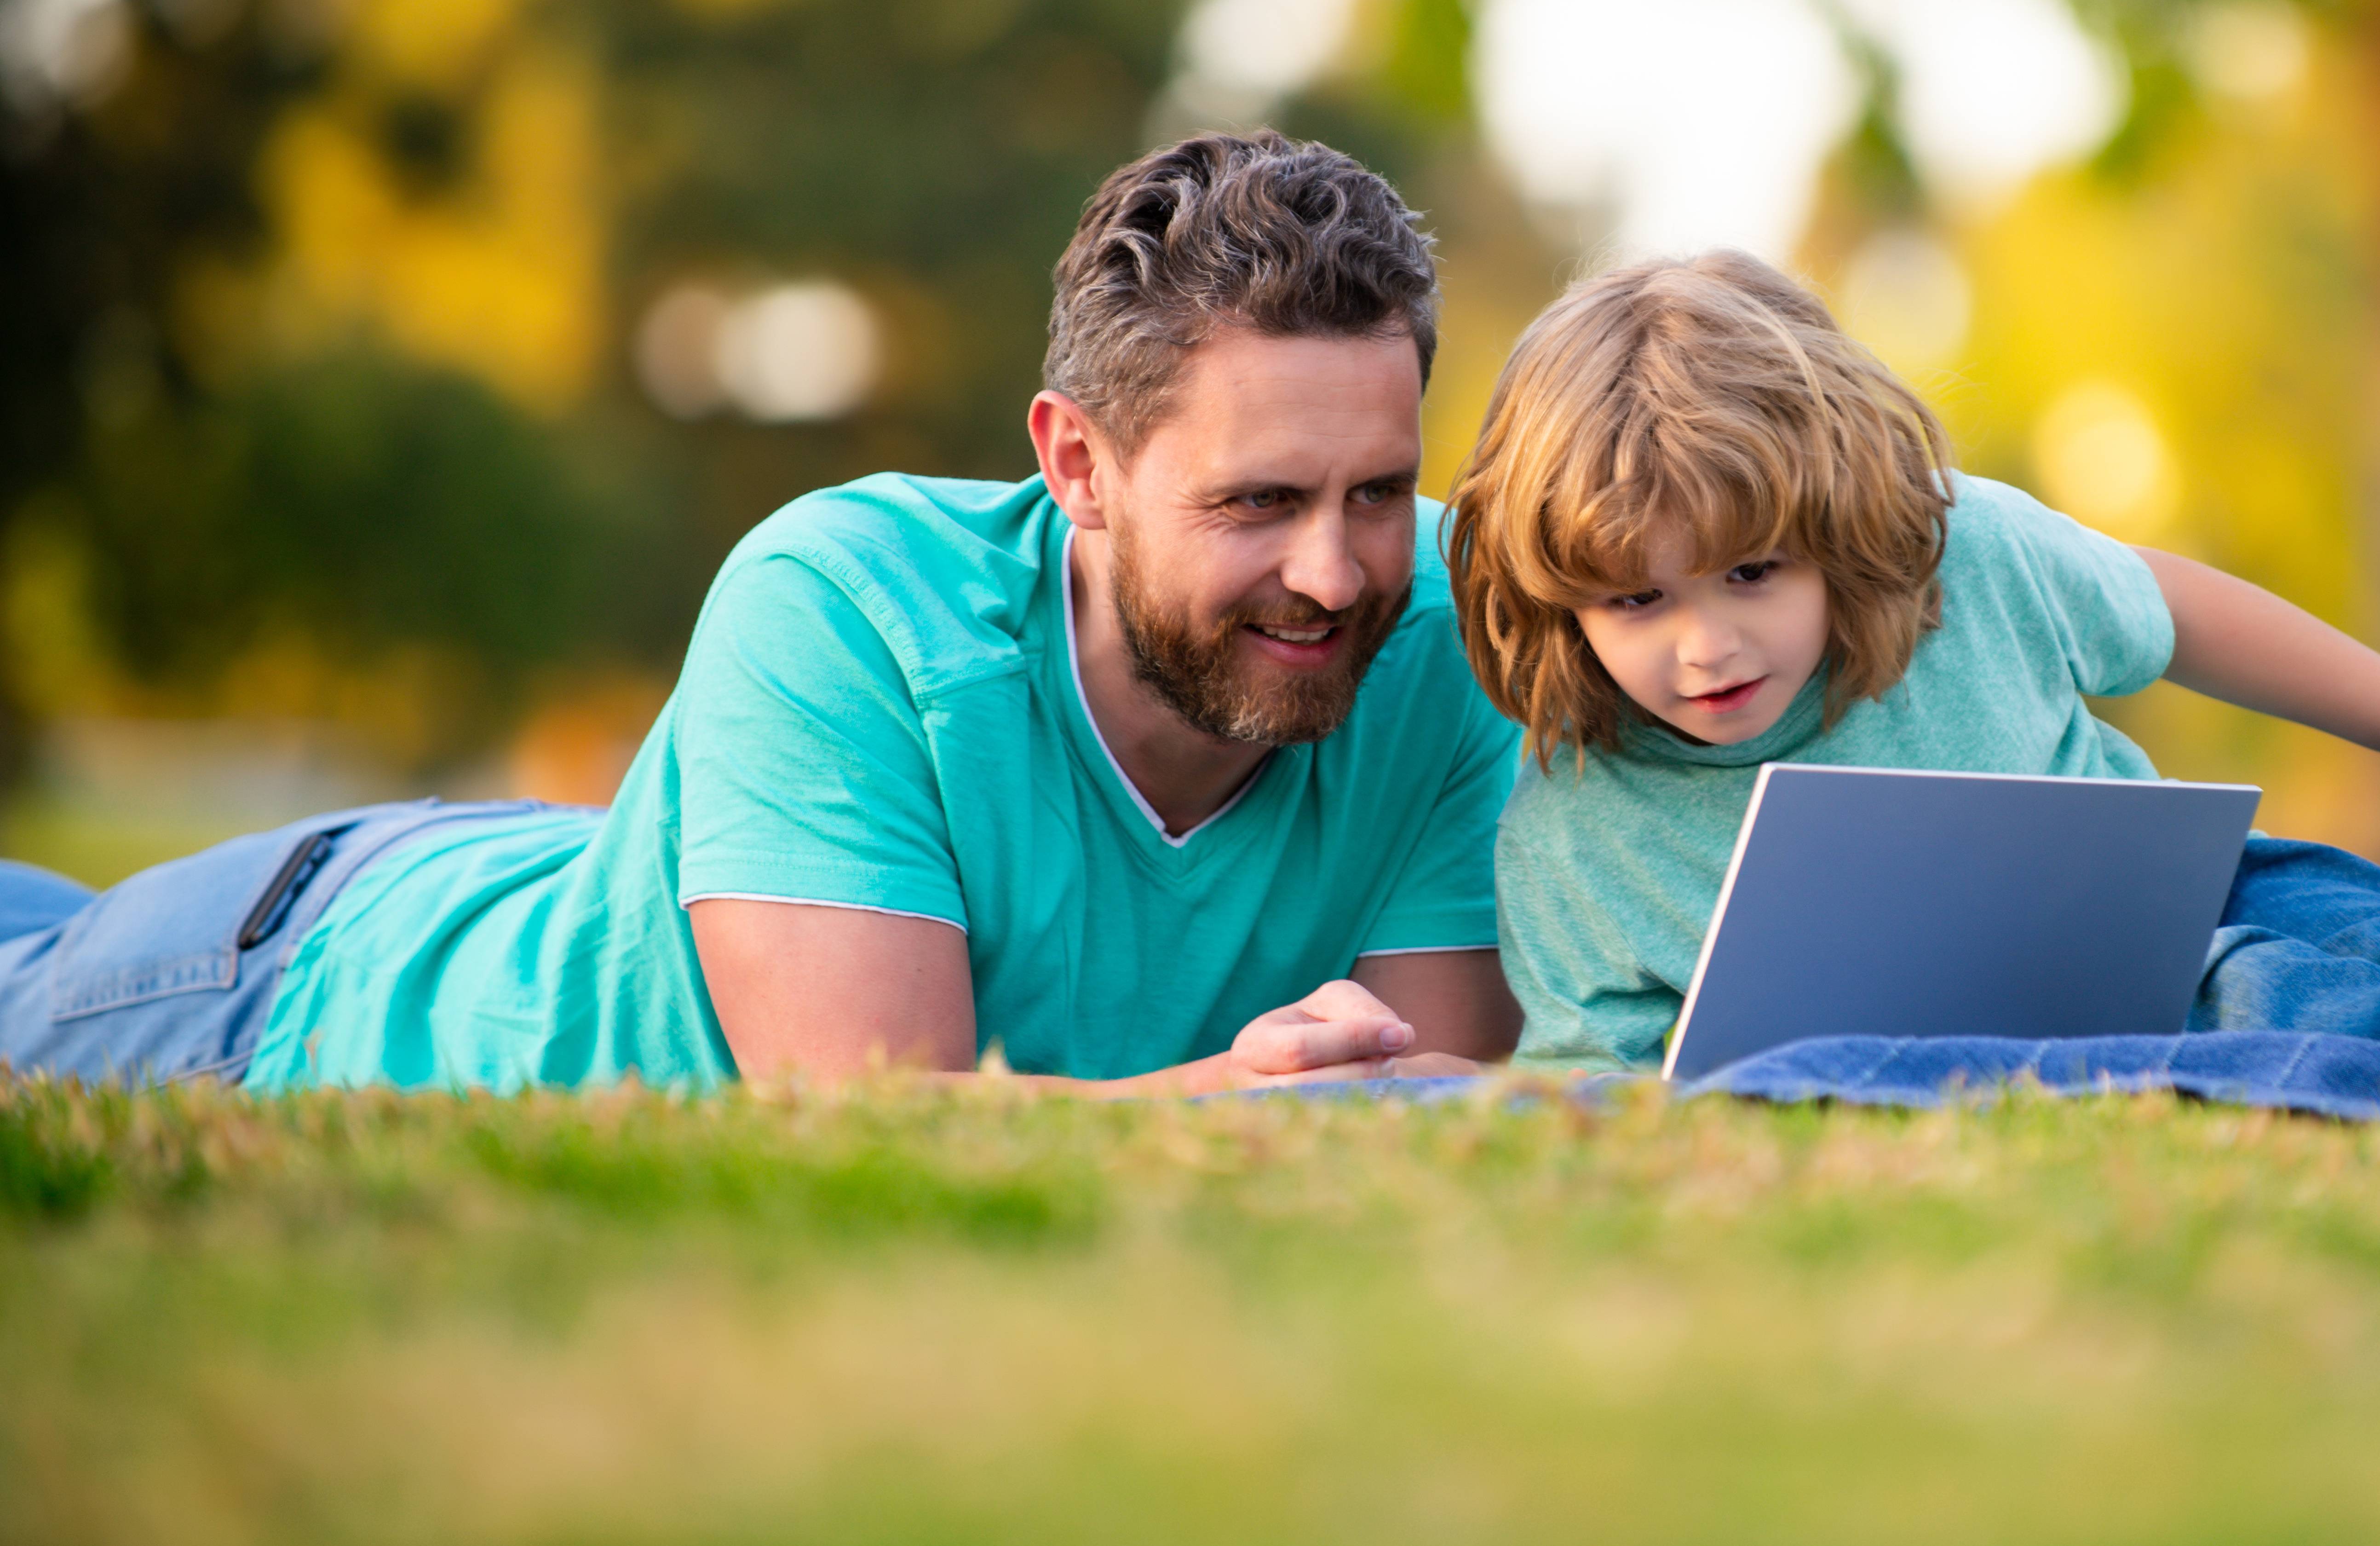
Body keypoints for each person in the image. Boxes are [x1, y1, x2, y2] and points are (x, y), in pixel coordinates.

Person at [0, 133, 1521, 1094]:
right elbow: (875, 1131)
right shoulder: (847, 601)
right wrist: (1233, 1101)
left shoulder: (1444, 623)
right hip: (291, 980)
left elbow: (1419, 1095)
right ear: (1079, 464)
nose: (1336, 572)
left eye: (1378, 491)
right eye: (1258, 503)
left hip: (595, 859)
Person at [1442, 251, 2380, 1106]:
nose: (1704, 644)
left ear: (1842, 531)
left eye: (1752, 576)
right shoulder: (1573, 832)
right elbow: (1600, 1082)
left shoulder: (1962, 554)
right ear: (1553, 598)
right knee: (2259, 998)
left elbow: (2190, 616)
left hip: (2193, 886)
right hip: (2115, 1022)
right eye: (1635, 602)